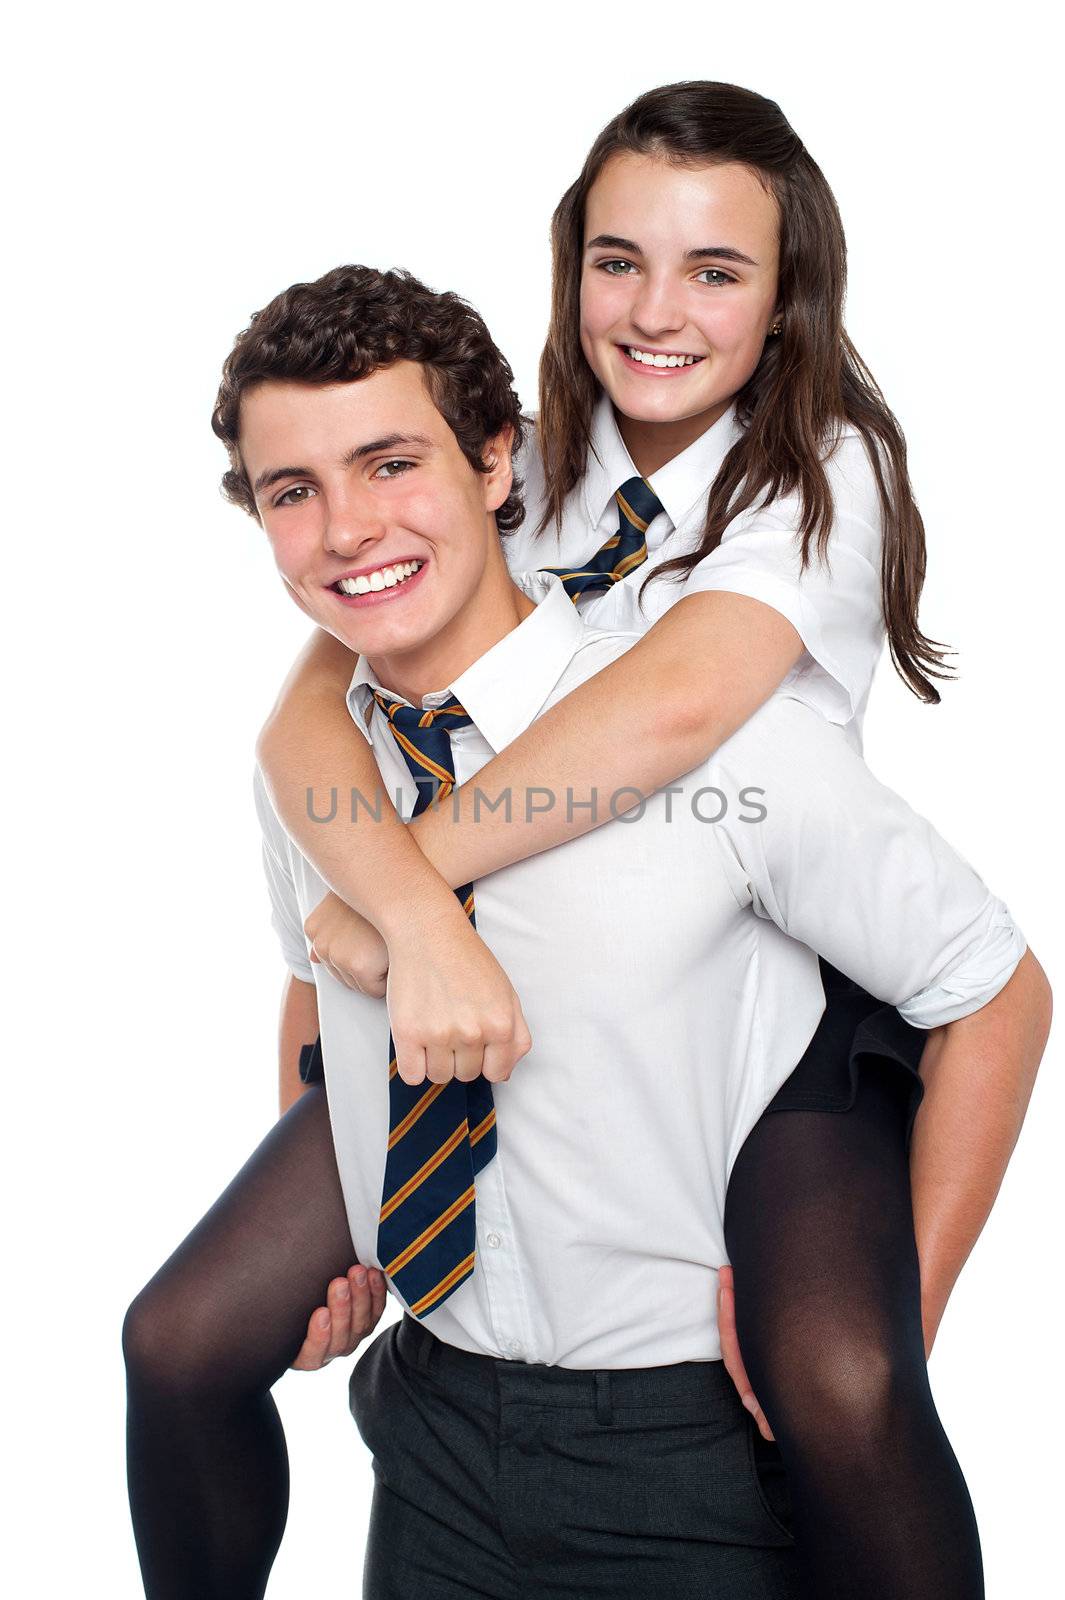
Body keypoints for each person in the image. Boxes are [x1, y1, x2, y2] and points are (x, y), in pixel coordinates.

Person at [122, 261, 1048, 1600]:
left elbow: (989, 986)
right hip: (432, 1439)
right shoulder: (320, 780)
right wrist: (353, 1241)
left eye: (390, 463)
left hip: (693, 1461)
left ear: (498, 460)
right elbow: (319, 982)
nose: (345, 529)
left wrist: (895, 1314)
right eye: (292, 491)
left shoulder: (728, 747)